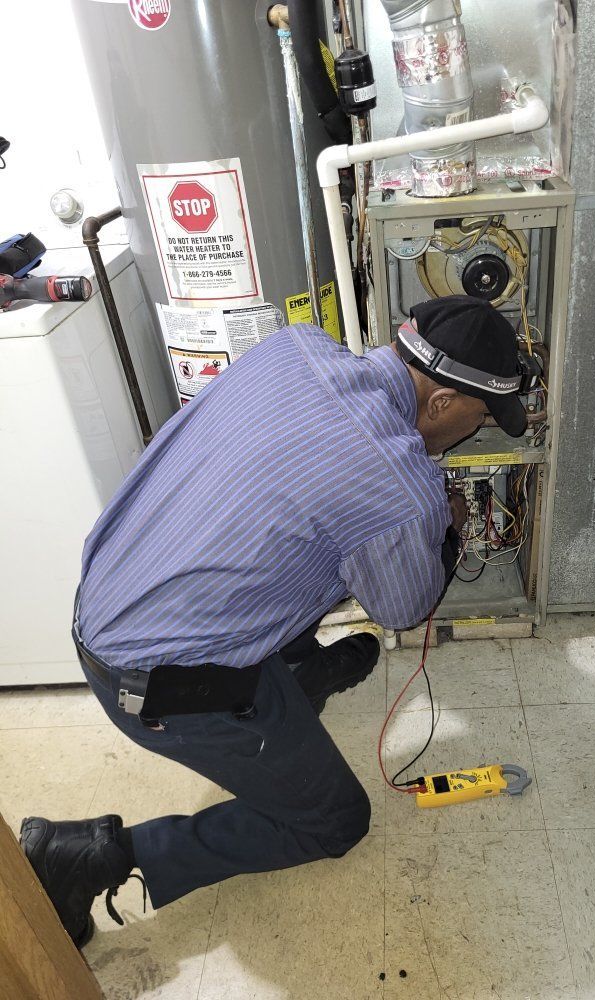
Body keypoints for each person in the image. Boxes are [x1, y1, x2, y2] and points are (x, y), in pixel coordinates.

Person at [20, 295, 530, 948]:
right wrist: (446, 529)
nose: (476, 429)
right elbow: (401, 609)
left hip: (103, 603)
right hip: (157, 688)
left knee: (307, 541)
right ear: (440, 404)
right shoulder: (399, 486)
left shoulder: (297, 348)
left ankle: (295, 678)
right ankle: (90, 858)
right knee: (333, 823)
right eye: (480, 416)